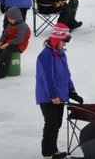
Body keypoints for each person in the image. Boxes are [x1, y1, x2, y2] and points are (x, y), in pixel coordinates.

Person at [36, 23, 83, 159]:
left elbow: (66, 75)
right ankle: (47, 153)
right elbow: (47, 78)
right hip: (48, 97)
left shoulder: (61, 55)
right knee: (50, 124)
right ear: (57, 40)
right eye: (64, 41)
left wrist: (72, 92)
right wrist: (53, 95)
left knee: (57, 123)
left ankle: (53, 150)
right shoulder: (45, 55)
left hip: (60, 96)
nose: (65, 45)